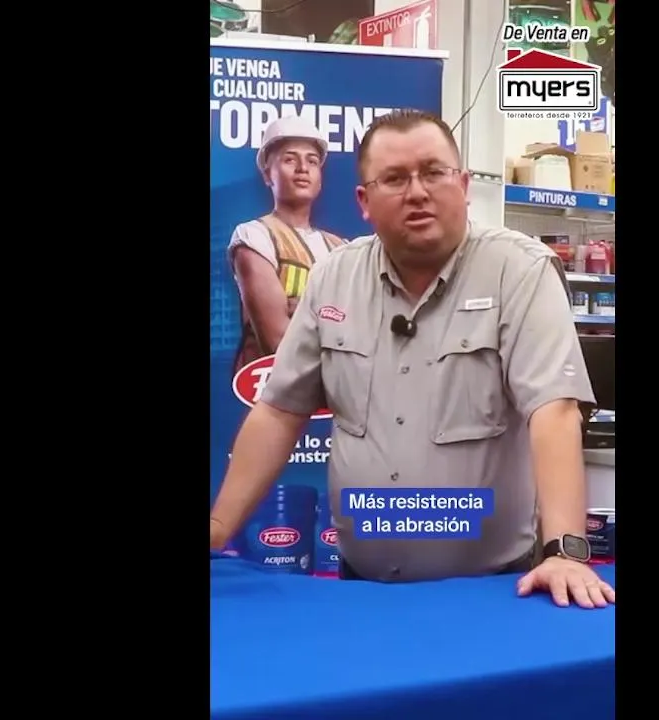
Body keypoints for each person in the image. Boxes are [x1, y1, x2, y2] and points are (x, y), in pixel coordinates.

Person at [210, 109, 614, 610]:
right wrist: (217, 528)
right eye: (395, 178)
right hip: (362, 588)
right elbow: (278, 411)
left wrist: (566, 552)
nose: (417, 192)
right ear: (364, 201)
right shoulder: (333, 276)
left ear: (463, 184)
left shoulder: (519, 270)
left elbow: (553, 410)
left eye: (434, 172)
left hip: (494, 592)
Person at [228, 116, 347, 374]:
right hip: (269, 388)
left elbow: (364, 331)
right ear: (267, 175)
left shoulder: (340, 247)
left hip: (333, 391)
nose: (303, 168)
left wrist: (301, 308)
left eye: (312, 161)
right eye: (290, 159)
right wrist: (332, 316)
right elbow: (279, 342)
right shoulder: (254, 236)